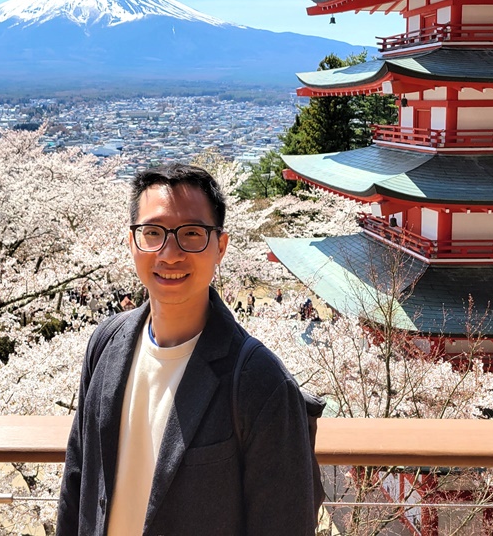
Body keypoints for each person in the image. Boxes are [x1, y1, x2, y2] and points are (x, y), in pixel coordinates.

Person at [57, 163, 319, 535]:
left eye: (192, 234)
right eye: (153, 233)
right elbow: (77, 479)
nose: (170, 253)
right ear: (132, 242)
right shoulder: (106, 344)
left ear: (220, 247)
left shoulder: (259, 381)